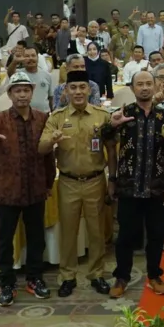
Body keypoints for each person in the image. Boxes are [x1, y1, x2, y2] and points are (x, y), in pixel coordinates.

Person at [0, 71, 55, 305]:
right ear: (9, 94)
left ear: (32, 92)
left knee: (36, 237)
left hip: (35, 188)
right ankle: (7, 283)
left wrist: (49, 183)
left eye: (26, 90)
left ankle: (34, 278)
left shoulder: (42, 118)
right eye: (17, 91)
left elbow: (49, 155)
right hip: (7, 190)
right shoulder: (0, 119)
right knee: (4, 239)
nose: (22, 95)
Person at [103, 69, 164, 299]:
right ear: (132, 88)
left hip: (158, 188)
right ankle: (122, 277)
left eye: (148, 83)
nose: (144, 88)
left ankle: (154, 275)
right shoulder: (124, 113)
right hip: (129, 187)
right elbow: (103, 138)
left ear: (155, 86)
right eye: (140, 84)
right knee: (126, 236)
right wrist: (111, 125)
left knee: (157, 235)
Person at [39, 70, 112, 297]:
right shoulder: (57, 118)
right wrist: (52, 140)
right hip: (68, 182)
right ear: (66, 91)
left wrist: (114, 179)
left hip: (95, 181)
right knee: (68, 232)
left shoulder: (102, 116)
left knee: (97, 232)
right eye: (73, 88)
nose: (78, 92)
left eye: (82, 87)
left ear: (89, 90)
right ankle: (67, 276)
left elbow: (112, 149)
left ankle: (96, 274)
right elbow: (41, 148)